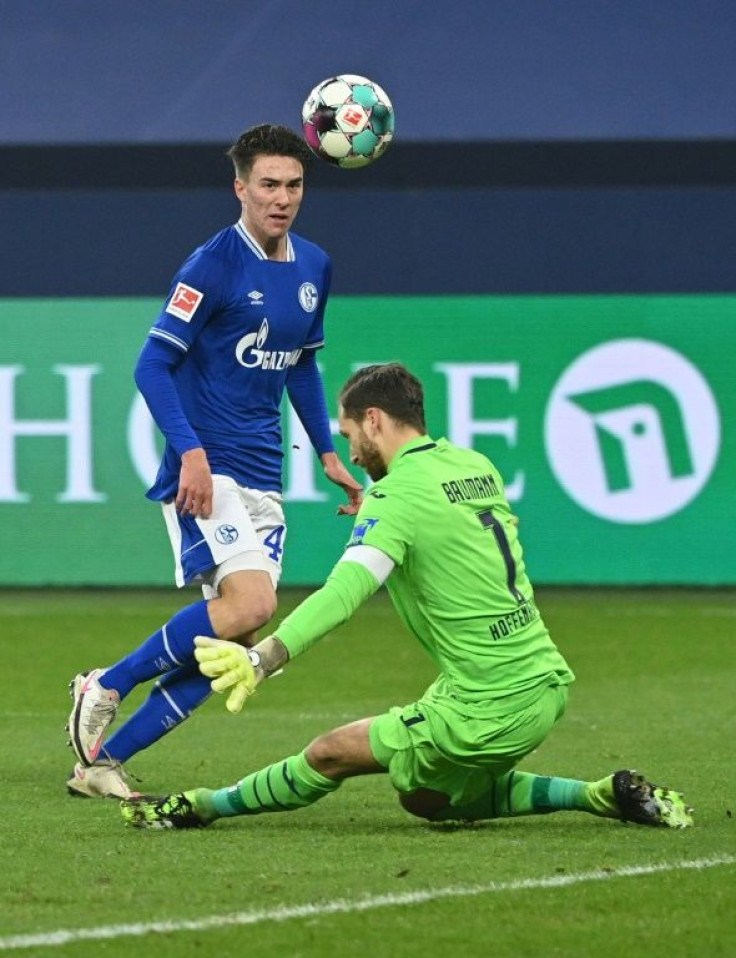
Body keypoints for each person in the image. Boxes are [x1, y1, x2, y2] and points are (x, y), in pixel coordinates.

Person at [120, 362, 693, 830]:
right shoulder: (473, 465)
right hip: (543, 682)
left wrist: (263, 657)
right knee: (426, 799)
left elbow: (344, 593)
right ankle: (598, 795)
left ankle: (201, 806)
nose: (351, 453)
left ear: (374, 421)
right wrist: (383, 513)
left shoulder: (396, 498)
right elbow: (445, 531)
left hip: (487, 707)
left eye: (349, 437)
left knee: (328, 753)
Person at [66, 124, 362, 800]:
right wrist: (191, 453)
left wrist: (326, 452)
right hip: (207, 469)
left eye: (293, 185)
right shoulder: (211, 265)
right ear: (240, 188)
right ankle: (108, 682)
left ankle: (101, 763)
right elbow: (153, 365)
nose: (281, 198)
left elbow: (302, 367)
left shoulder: (314, 266)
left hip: (264, 471)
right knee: (256, 602)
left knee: (239, 631)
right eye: (268, 185)